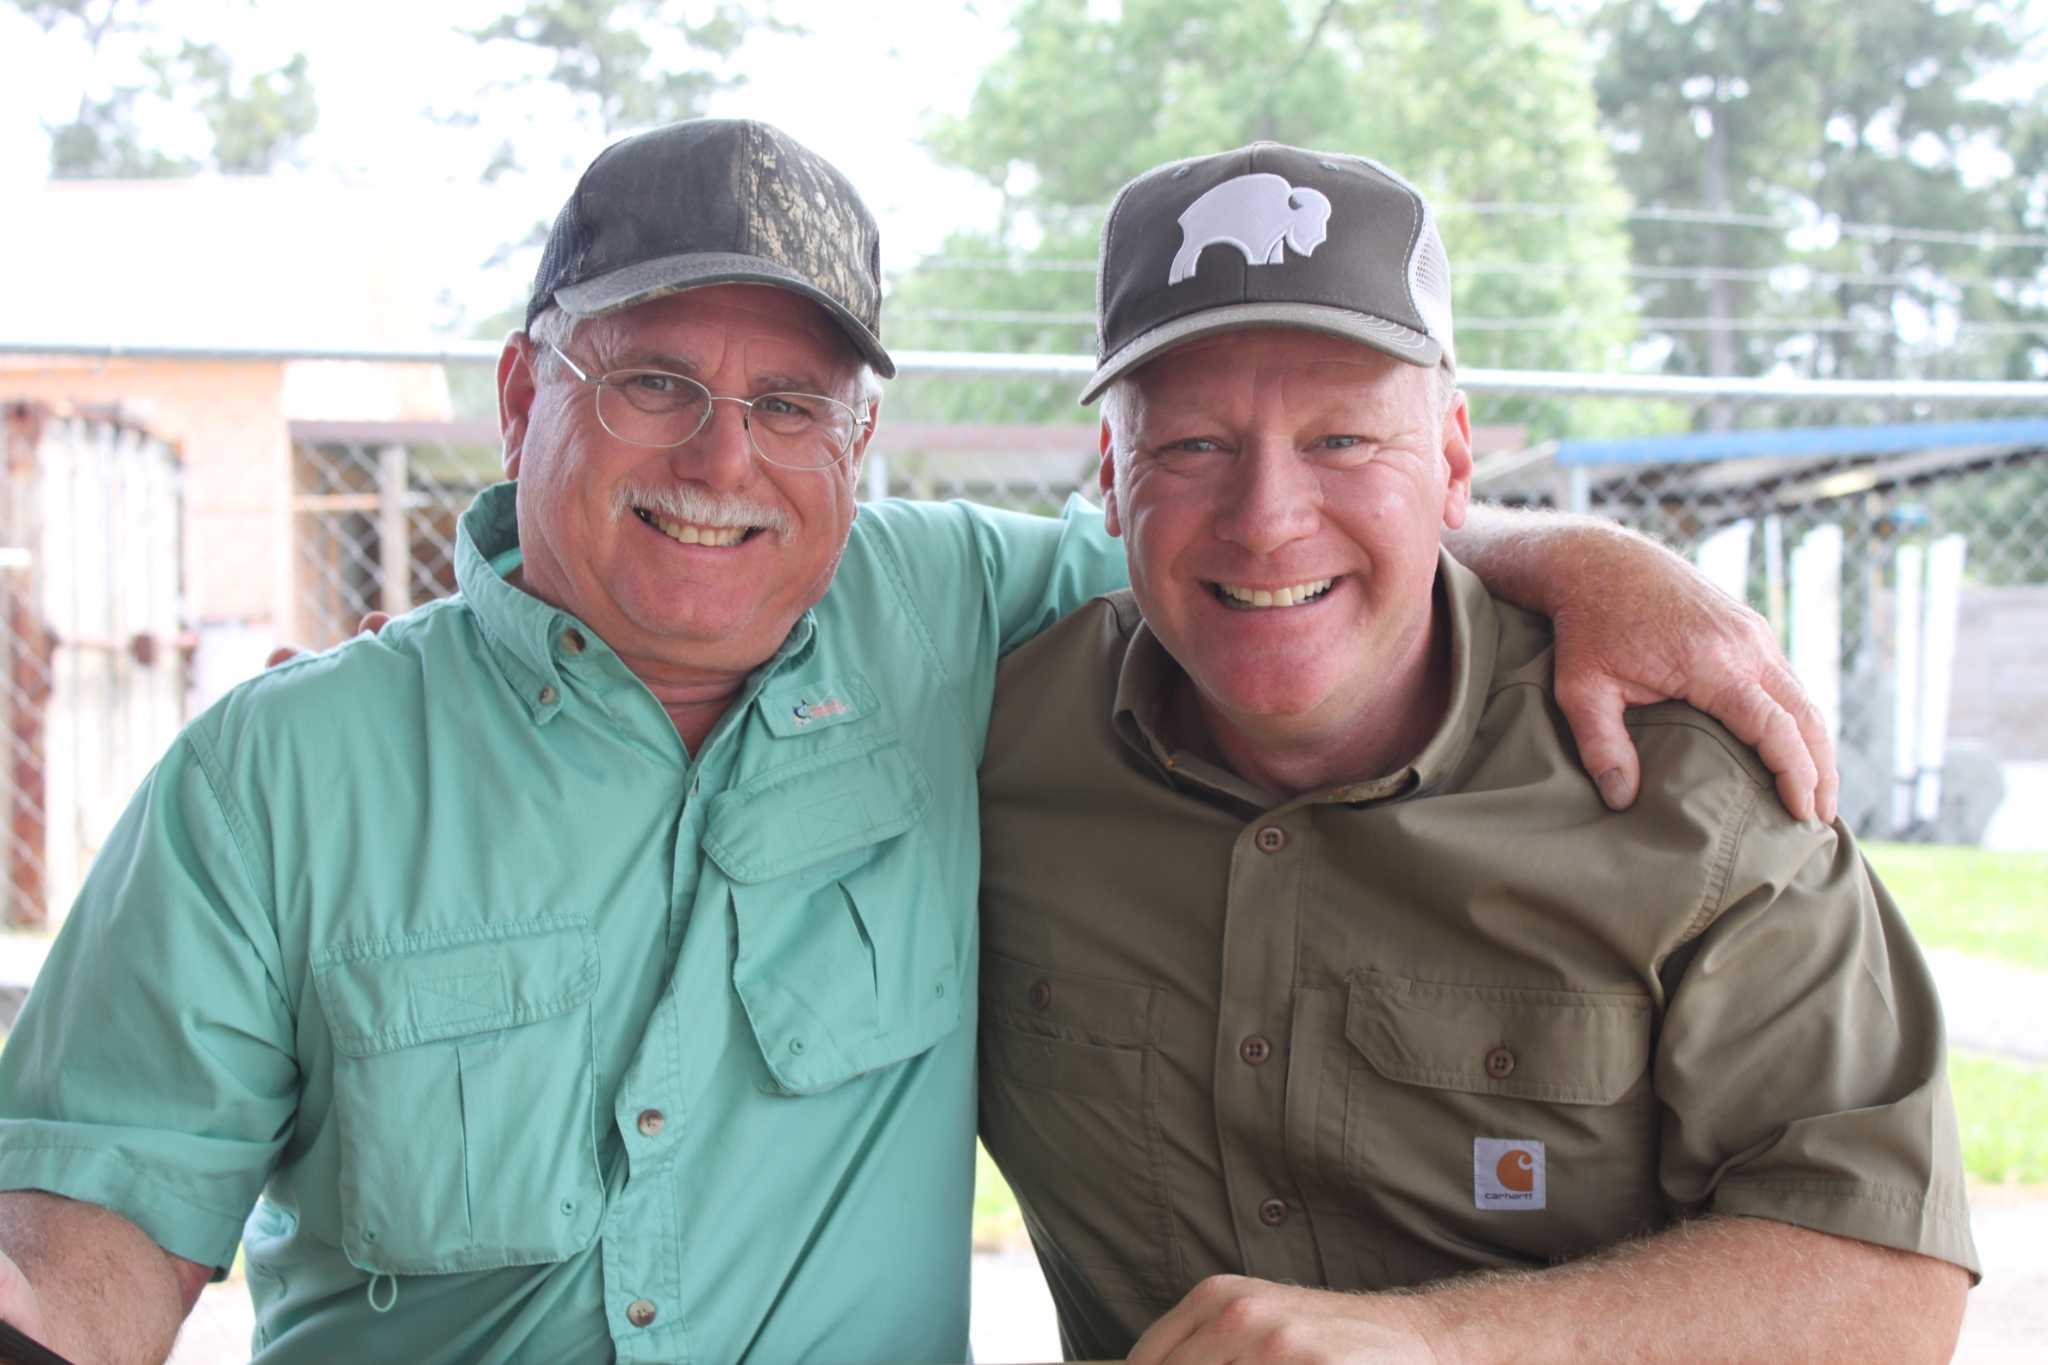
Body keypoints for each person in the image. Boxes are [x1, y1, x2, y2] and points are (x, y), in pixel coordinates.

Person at [0, 120, 1831, 1365]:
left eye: (793, 402)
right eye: (654, 383)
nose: (725, 461)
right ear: (517, 395)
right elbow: (91, 1241)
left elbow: (1258, 547)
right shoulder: (278, 779)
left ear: (859, 446)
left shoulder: (959, 621)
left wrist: (1579, 555)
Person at [975, 140, 1978, 1365]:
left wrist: (1447, 1347)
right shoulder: (992, 740)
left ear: (1453, 459)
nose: (1266, 517)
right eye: (1192, 446)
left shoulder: (1688, 798)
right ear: (1112, 478)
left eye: (1343, 441)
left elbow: (1886, 1285)